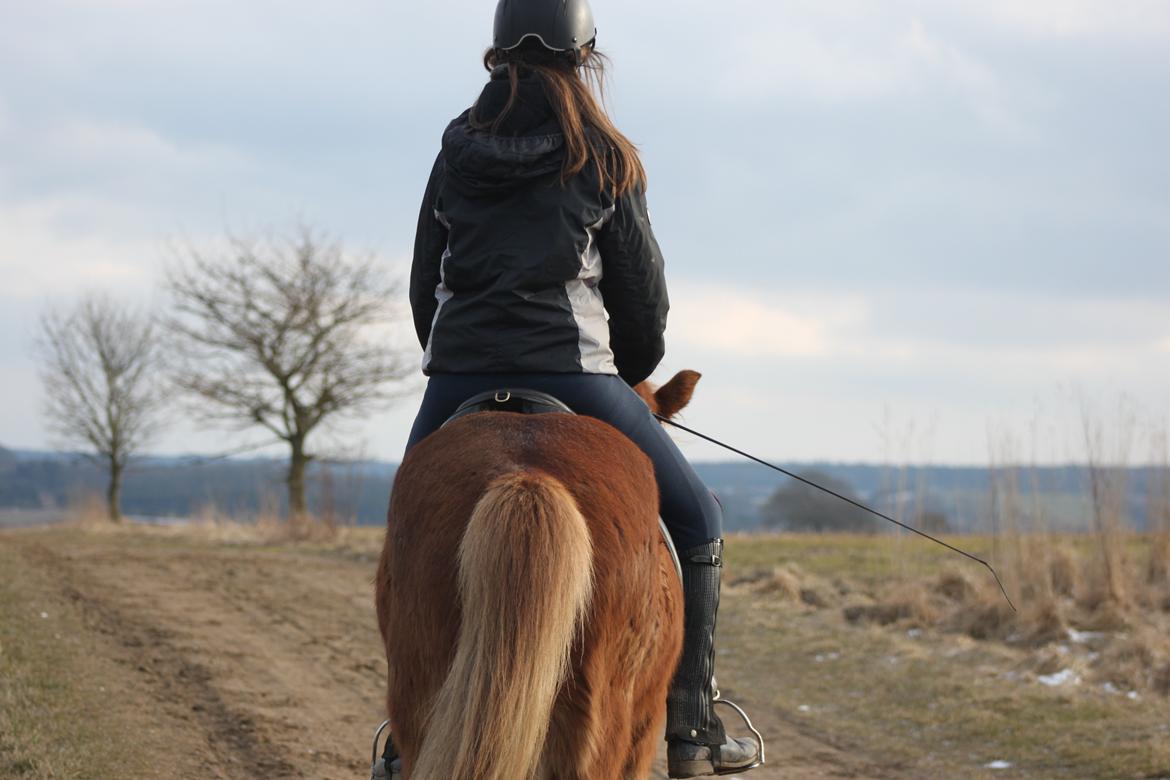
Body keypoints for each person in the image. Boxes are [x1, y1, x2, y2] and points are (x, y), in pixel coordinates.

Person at [400, 0, 761, 776]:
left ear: (494, 57)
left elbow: (423, 281)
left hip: (459, 372)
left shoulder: (454, 150)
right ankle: (692, 728)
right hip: (577, 373)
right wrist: (626, 372)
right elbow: (643, 305)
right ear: (585, 58)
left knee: (409, 530)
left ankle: (408, 744)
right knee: (699, 518)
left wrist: (456, 354)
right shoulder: (606, 154)